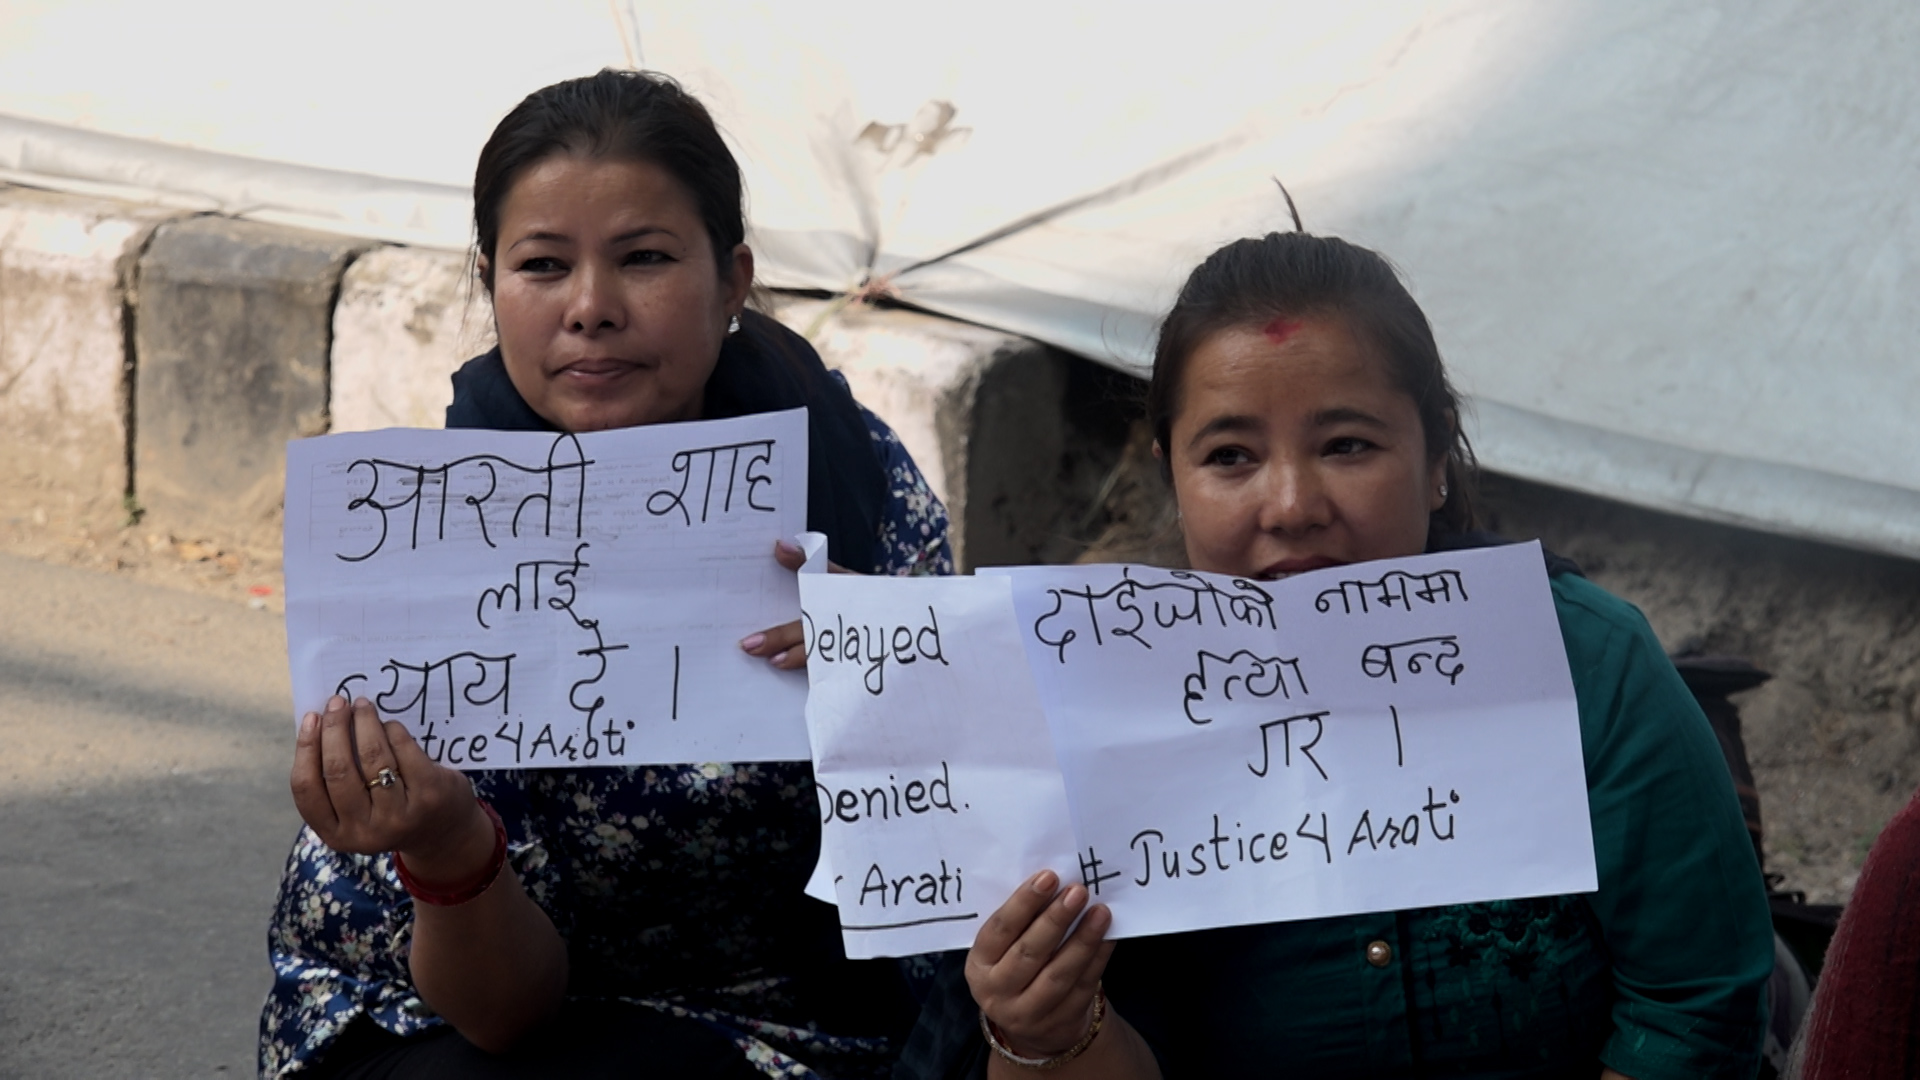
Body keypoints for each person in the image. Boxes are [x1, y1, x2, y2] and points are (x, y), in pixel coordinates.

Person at [897, 232, 1775, 1079]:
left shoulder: (1585, 663)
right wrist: (1047, 1028)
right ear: (1174, 475)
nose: (1292, 505)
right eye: (1230, 456)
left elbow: (1695, 1008)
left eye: (1347, 445)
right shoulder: (1076, 714)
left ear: (1435, 454)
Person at [259, 69, 952, 1079]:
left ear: (733, 279)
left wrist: (903, 680)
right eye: (543, 265)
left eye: (645, 258)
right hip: (428, 1008)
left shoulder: (853, 481)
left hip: (772, 1026)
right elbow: (502, 1015)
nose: (591, 308)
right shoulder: (420, 534)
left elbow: (965, 838)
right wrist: (445, 845)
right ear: (491, 283)